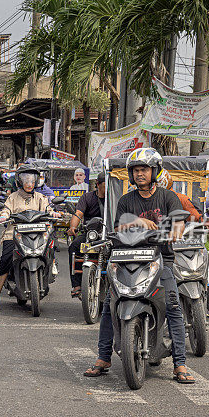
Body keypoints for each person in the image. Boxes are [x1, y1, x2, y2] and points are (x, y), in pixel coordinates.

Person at [83, 147, 194, 384]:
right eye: (135, 170)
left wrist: (176, 230)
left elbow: (178, 223)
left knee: (173, 306)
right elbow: (119, 227)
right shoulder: (125, 201)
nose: (140, 174)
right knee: (109, 306)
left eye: (144, 169)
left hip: (160, 259)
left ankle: (180, 364)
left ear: (154, 171)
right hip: (126, 259)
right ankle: (103, 358)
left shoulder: (167, 197)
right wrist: (141, 221)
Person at [0, 165, 61, 311]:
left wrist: (53, 213)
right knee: (5, 259)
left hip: (38, 233)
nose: (29, 183)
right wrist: (4, 215)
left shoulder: (41, 198)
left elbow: (48, 209)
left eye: (32, 180)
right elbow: (6, 209)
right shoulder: (12, 197)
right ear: (19, 181)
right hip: (15, 232)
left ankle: (51, 267)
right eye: (26, 180)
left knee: (50, 248)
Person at [67, 171, 106, 297]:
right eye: (106, 185)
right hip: (91, 233)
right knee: (74, 247)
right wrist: (73, 227)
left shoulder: (116, 198)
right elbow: (78, 214)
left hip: (110, 234)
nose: (108, 188)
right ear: (98, 184)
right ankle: (77, 285)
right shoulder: (87, 197)